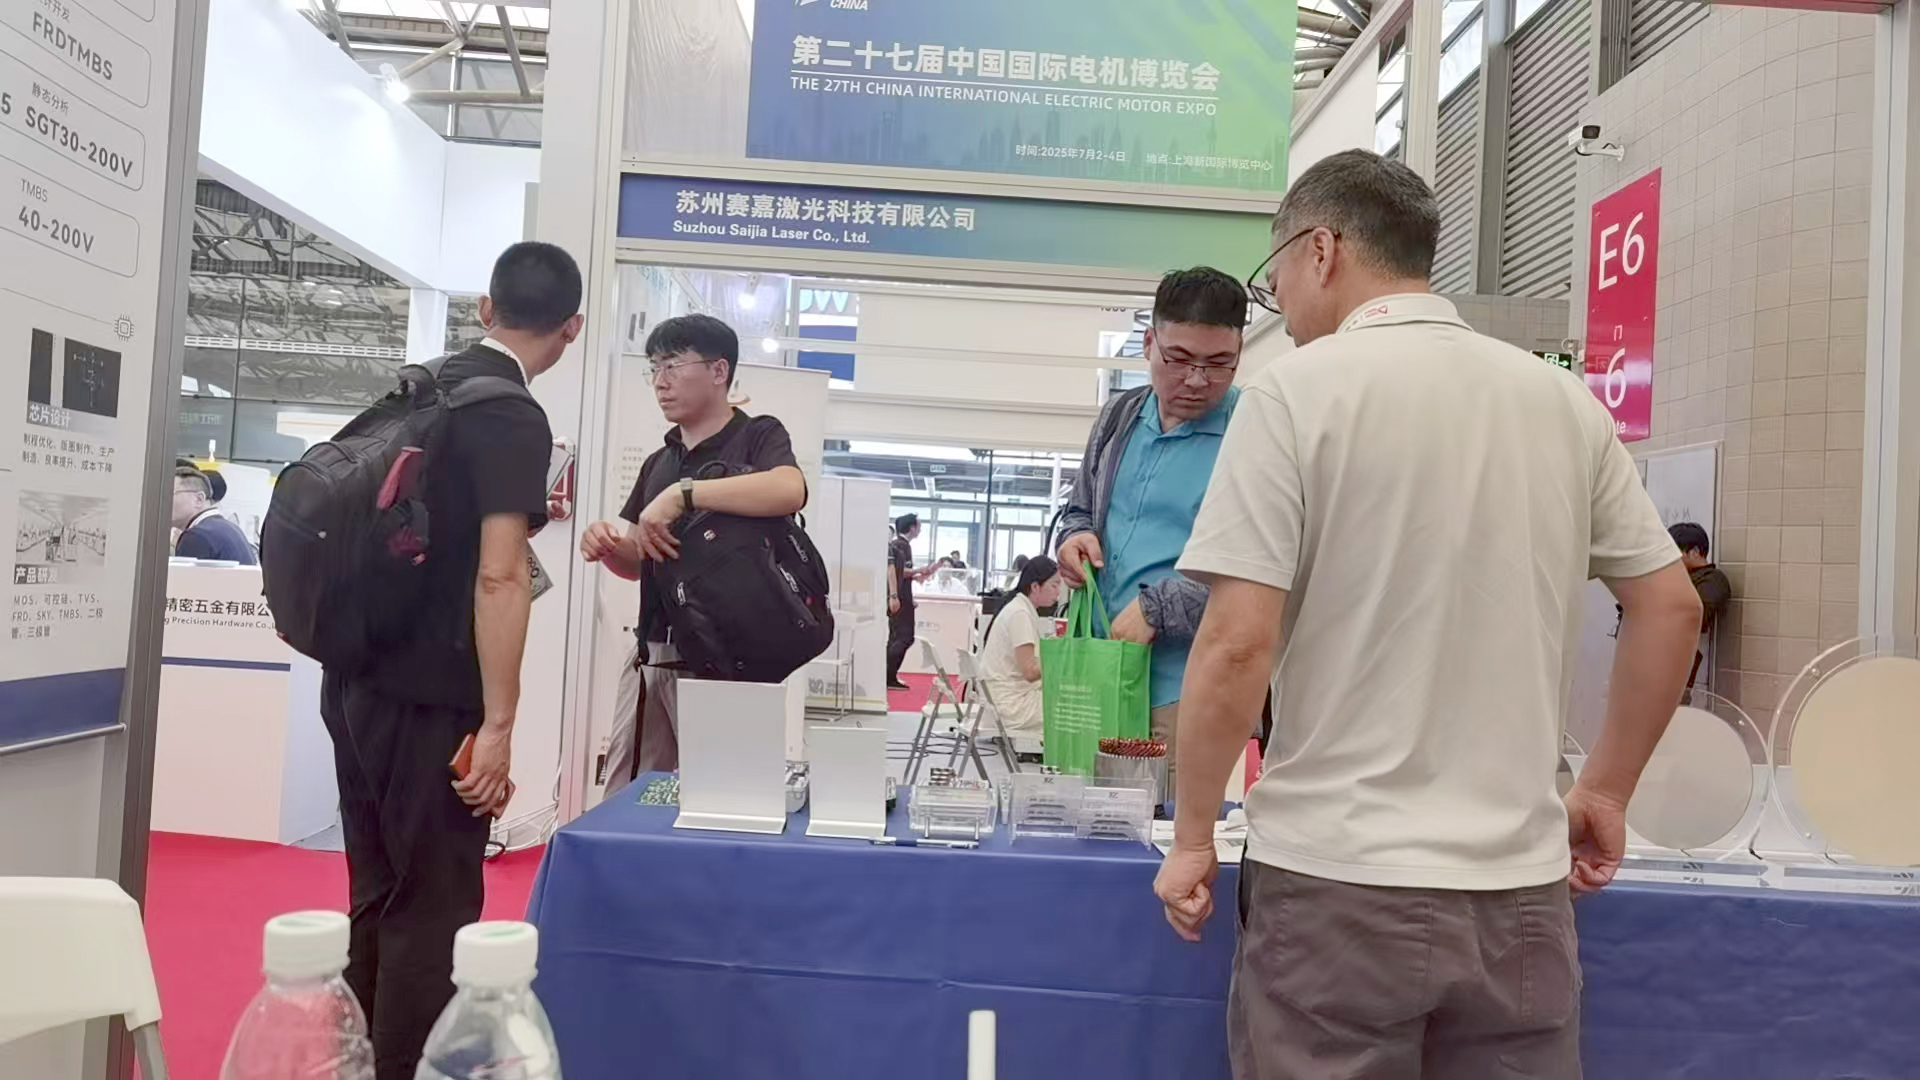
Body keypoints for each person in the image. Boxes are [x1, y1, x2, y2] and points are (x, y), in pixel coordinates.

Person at [1153, 150, 1703, 1078]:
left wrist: (1195, 837)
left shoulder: (1295, 394)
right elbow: (1670, 604)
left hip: (1334, 881)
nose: (1277, 299)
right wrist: (1605, 793)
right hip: (1518, 892)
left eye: (1274, 274)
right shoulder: (1561, 400)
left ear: (1321, 249)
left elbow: (1237, 643)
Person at [322, 241, 582, 1080]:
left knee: (375, 891)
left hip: (354, 679)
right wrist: (499, 725)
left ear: (485, 309)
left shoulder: (421, 386)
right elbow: (500, 576)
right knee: (433, 906)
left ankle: (359, 1061)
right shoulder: (511, 414)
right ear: (573, 328)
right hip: (431, 697)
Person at [581, 314, 806, 777]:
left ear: (719, 370)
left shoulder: (758, 437)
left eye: (673, 365)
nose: (660, 382)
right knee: (632, 793)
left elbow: (789, 489)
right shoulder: (658, 461)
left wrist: (684, 494)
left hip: (732, 657)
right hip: (656, 651)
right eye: (654, 368)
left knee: (726, 791)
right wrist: (607, 546)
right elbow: (638, 560)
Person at [1055, 266, 1248, 803]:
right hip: (1100, 671)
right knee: (1085, 821)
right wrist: (1074, 541)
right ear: (1148, 343)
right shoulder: (1120, 415)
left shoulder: (1252, 430)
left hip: (1183, 685)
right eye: (1179, 359)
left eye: (1218, 364)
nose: (1196, 380)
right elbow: (1079, 509)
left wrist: (1160, 608)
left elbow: (1260, 564)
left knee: (1163, 831)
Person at [976, 555, 1063, 748]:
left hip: (1003, 701)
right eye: (1054, 585)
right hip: (1012, 706)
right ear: (1035, 587)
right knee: (1074, 708)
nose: (1058, 592)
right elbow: (1030, 672)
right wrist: (1056, 654)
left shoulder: (1019, 608)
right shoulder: (1020, 614)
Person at [1671, 521, 1732, 689]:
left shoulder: (1713, 579)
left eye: (1675, 552)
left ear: (1695, 552)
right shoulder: (1677, 577)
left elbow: (1697, 614)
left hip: (1677, 661)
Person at [886, 513, 938, 690]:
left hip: (901, 598)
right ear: (911, 527)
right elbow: (899, 571)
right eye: (919, 526)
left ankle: (888, 675)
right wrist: (918, 571)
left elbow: (901, 573)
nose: (920, 530)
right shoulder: (901, 546)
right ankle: (887, 675)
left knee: (898, 637)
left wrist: (915, 576)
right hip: (900, 599)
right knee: (904, 637)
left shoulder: (898, 545)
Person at [170, 465, 256, 564]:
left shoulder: (197, 536)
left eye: (171, 493)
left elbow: (184, 574)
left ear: (199, 499)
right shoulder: (229, 527)